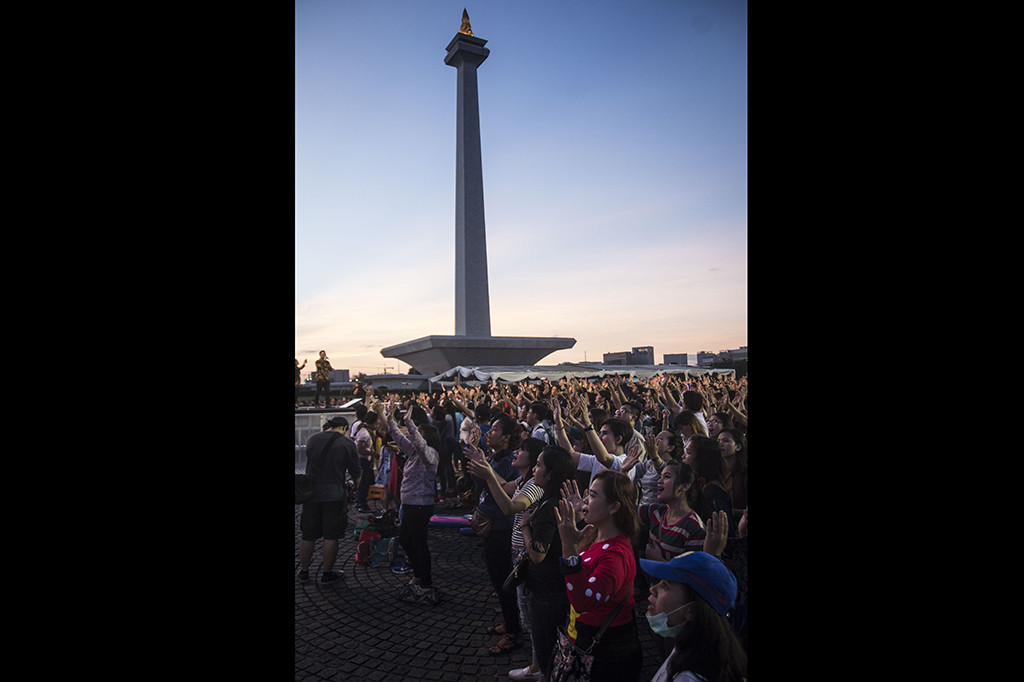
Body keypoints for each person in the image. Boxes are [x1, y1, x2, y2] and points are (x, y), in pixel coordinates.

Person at [554, 470, 643, 682]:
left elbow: (584, 601)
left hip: (608, 654)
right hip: (586, 637)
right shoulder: (596, 533)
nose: (585, 499)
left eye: (593, 496)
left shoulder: (616, 555)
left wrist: (568, 546)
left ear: (614, 507)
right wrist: (579, 521)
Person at [466, 436, 546, 660]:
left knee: (529, 612)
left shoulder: (534, 485)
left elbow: (509, 507)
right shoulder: (523, 480)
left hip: (527, 555)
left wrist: (488, 474)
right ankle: (528, 651)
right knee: (518, 601)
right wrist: (485, 464)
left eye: (522, 450)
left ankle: (535, 661)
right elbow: (504, 486)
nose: (515, 452)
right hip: (518, 552)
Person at [513, 445, 576, 682]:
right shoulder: (554, 500)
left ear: (550, 474)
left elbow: (538, 554)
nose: (534, 470)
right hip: (555, 586)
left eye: (539, 465)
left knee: (548, 647)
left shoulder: (550, 506)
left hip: (547, 589)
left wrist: (525, 527)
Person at [640, 551, 747, 682]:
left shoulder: (690, 677)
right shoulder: (690, 644)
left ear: (692, 610)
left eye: (665, 586)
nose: (653, 589)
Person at [468, 412, 524, 653]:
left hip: (502, 528)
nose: (489, 433)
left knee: (503, 581)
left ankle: (513, 632)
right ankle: (510, 623)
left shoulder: (507, 462)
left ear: (507, 437)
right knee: (498, 580)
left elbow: (499, 488)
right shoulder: (497, 458)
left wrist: (484, 466)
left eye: (494, 430)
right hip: (493, 524)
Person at [378, 399, 440, 604]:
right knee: (406, 540)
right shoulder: (413, 452)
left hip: (421, 505)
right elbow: (398, 437)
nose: (413, 436)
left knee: (418, 542)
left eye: (418, 433)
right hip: (410, 503)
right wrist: (391, 419)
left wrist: (410, 423)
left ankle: (425, 580)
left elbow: (420, 445)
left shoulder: (431, 455)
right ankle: (419, 574)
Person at [298, 415, 361, 584]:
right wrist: (356, 486)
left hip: (311, 494)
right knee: (331, 536)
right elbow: (356, 473)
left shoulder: (312, 439)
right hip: (334, 494)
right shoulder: (347, 444)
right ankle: (327, 574)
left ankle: (303, 572)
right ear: (344, 428)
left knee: (308, 535)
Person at [683, 436, 735, 535]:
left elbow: (723, 532)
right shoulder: (695, 483)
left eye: (688, 453)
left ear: (702, 459)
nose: (683, 456)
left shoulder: (712, 491)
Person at [717, 428, 748, 516]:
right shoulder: (715, 469)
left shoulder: (744, 473)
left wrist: (731, 511)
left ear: (738, 447)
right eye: (718, 440)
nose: (720, 444)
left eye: (725, 441)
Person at [353, 411, 379, 512]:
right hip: (363, 461)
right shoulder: (364, 433)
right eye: (376, 424)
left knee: (365, 482)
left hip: (366, 460)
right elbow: (359, 449)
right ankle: (362, 504)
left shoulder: (366, 430)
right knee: (363, 483)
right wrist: (373, 454)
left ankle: (359, 501)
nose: (377, 426)